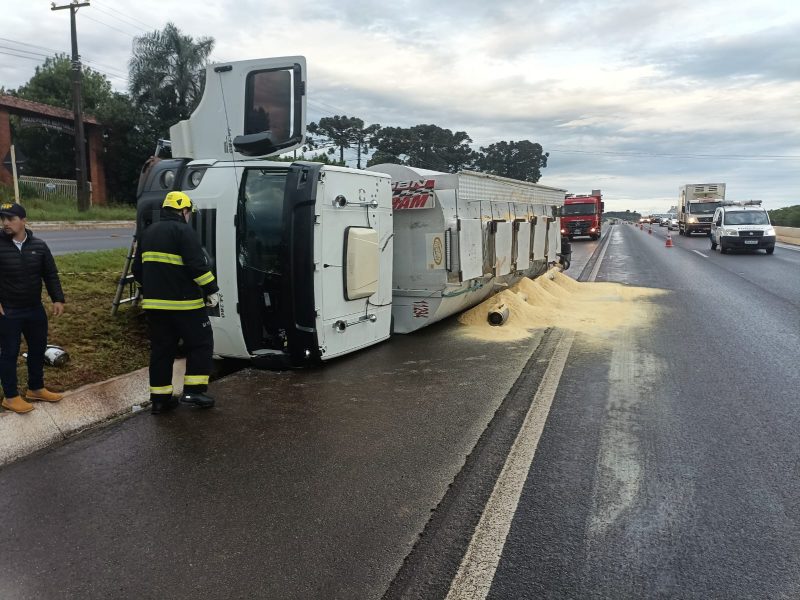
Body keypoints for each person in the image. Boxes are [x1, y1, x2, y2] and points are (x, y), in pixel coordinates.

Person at [133, 191, 219, 415]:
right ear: (183, 210)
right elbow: (197, 266)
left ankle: (160, 400)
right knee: (201, 343)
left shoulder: (148, 232)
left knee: (162, 351)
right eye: (188, 212)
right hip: (185, 305)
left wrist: (149, 291)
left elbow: (137, 270)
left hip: (155, 307)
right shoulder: (183, 231)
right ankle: (194, 391)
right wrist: (212, 290)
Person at [0, 202, 65, 414]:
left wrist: (57, 299)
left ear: (23, 220)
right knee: (9, 353)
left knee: (38, 349)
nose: (5, 223)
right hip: (8, 311)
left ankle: (36, 388)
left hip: (34, 309)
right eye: (3, 219)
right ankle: (10, 396)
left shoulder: (39, 245)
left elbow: (50, 274)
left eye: (11, 219)